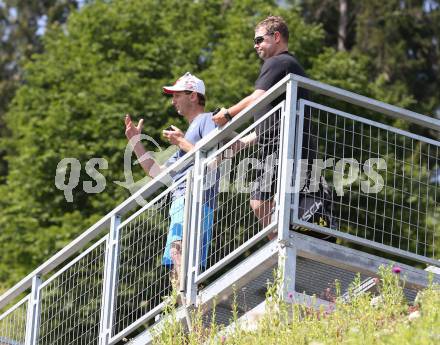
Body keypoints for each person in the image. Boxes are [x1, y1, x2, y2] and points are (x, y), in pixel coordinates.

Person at [212, 16, 309, 236]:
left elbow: (257, 98)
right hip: (282, 145)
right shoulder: (287, 65)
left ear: (276, 37)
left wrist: (227, 114)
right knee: (266, 202)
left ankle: (281, 242)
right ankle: (283, 239)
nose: (255, 45)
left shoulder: (278, 62)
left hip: (282, 147)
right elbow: (276, 118)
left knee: (260, 202)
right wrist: (245, 141)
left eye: (259, 40)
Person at [125, 72, 216, 289]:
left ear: (193, 96)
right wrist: (136, 142)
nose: (172, 100)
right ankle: (184, 314)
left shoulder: (206, 120)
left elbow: (214, 159)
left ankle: (195, 310)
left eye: (176, 95)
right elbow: (155, 171)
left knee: (183, 257)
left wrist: (182, 142)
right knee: (176, 264)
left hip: (196, 200)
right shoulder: (187, 134)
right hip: (181, 201)